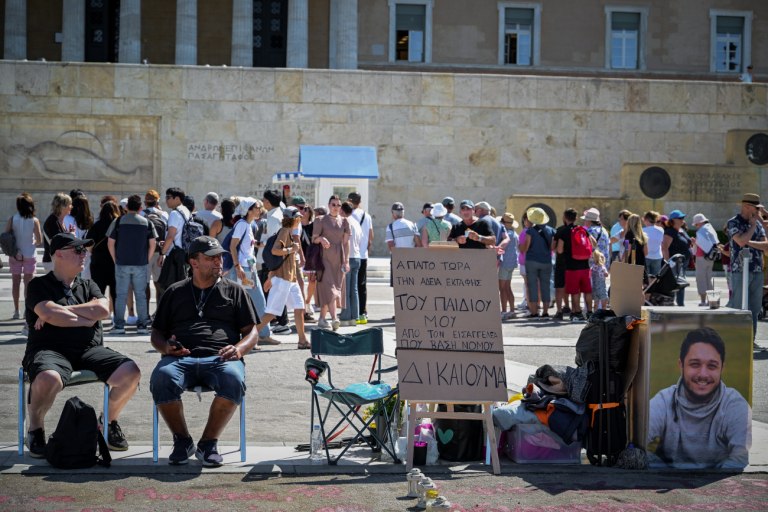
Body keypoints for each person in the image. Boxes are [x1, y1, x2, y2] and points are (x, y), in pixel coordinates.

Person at [22, 232, 141, 458]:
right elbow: (50, 314)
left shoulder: (88, 285)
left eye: (84, 250)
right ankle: (35, 428)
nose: (83, 254)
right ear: (59, 254)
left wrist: (60, 310)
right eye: (77, 250)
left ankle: (107, 422)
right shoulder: (39, 285)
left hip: (89, 350)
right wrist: (84, 318)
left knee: (130, 371)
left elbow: (103, 310)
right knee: (48, 378)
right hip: (49, 350)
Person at [149, 235, 259, 466]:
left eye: (220, 256)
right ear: (194, 262)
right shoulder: (175, 291)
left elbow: (252, 332)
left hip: (221, 358)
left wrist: (239, 349)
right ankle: (182, 440)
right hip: (181, 358)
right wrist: (165, 347)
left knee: (233, 379)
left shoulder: (234, 291)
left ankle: (208, 443)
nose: (218, 261)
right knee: (161, 378)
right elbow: (156, 333)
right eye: (211, 257)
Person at [648, 327, 751, 469]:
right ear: (681, 365)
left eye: (712, 366)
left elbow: (740, 459)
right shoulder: (664, 401)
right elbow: (635, 443)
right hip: (668, 478)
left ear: (722, 368)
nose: (703, 374)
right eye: (695, 364)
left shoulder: (735, 406)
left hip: (719, 482)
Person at [254, 208, 311, 348]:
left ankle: (302, 340)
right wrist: (292, 249)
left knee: (299, 307)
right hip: (283, 279)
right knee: (271, 313)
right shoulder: (285, 231)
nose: (300, 220)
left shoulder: (288, 231)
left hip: (290, 279)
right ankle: (248, 336)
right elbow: (275, 250)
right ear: (293, 219)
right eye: (298, 218)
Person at [229, 197, 277, 346]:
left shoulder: (247, 225)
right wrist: (238, 267)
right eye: (256, 208)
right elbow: (232, 246)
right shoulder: (242, 225)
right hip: (245, 269)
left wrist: (260, 244)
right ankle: (260, 335)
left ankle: (257, 335)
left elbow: (246, 245)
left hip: (248, 268)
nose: (259, 210)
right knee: (257, 301)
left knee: (252, 302)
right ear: (248, 210)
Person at [107, 194, 157, 335]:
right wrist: (146, 259)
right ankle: (142, 326)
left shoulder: (118, 221)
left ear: (127, 207)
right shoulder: (147, 222)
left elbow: (110, 243)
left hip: (122, 263)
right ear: (140, 207)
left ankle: (119, 326)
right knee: (141, 295)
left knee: (121, 295)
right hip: (140, 263)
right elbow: (152, 243)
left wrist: (115, 259)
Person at [727, 193, 767, 342]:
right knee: (738, 306)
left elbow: (766, 246)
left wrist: (748, 242)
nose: (758, 211)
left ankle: (751, 339)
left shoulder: (757, 223)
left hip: (757, 270)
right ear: (747, 207)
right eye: (756, 208)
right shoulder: (733, 223)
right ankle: (736, 339)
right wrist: (753, 227)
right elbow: (740, 241)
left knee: (755, 308)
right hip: (740, 270)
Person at [312, 195, 350, 331]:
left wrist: (346, 261)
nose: (336, 207)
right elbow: (314, 239)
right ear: (329, 205)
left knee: (331, 290)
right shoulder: (320, 220)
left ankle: (322, 319)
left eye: (338, 205)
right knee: (330, 289)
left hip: (338, 259)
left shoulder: (344, 221)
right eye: (333, 204)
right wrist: (322, 239)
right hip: (324, 259)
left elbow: (346, 243)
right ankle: (334, 318)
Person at [6, 193, 42, 321]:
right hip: (29, 254)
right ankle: (27, 310)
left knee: (15, 283)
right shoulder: (34, 220)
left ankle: (16, 310)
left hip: (15, 254)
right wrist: (32, 242)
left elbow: (6, 237)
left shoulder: (12, 219)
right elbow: (39, 240)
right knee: (28, 284)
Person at [556, 208, 594, 322]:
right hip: (585, 266)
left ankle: (577, 313)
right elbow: (593, 244)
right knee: (587, 291)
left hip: (571, 267)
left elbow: (559, 250)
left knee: (574, 292)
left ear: (565, 217)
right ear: (576, 218)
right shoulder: (582, 229)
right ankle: (590, 312)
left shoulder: (563, 231)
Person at [517, 207, 555, 319]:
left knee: (532, 286)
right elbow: (552, 247)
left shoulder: (530, 231)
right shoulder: (551, 231)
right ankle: (545, 312)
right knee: (545, 286)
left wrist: (519, 246)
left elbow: (525, 248)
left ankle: (534, 312)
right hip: (546, 261)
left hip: (532, 261)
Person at [157, 187, 192, 296]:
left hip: (174, 255)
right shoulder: (186, 211)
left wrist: (162, 253)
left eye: (168, 197)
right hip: (184, 253)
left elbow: (171, 236)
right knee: (181, 287)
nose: (166, 200)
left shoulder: (175, 213)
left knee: (167, 288)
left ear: (177, 198)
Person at [87, 200, 120, 312]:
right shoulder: (118, 226)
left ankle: (97, 317)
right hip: (114, 262)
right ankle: (116, 317)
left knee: (98, 292)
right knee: (115, 293)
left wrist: (93, 252)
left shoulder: (96, 225)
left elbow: (88, 245)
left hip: (98, 262)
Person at [347, 192, 372, 325]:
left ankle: (352, 313)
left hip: (352, 254)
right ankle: (362, 313)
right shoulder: (367, 215)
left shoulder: (350, 215)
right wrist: (366, 250)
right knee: (362, 285)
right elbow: (371, 236)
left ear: (349, 201)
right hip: (363, 255)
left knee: (351, 285)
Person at [662, 210, 693, 306]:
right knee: (680, 282)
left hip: (683, 262)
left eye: (683, 218)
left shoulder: (681, 230)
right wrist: (667, 262)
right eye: (680, 218)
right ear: (673, 220)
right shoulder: (670, 231)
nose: (682, 219)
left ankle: (677, 303)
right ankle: (680, 304)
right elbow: (664, 247)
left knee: (680, 282)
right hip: (675, 262)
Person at [339, 202, 362, 327]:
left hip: (347, 257)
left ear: (342, 211)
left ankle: (345, 317)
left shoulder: (344, 222)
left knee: (345, 289)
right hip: (357, 256)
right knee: (354, 289)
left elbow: (344, 242)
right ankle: (354, 316)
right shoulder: (356, 223)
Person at [692, 213, 720, 306]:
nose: (696, 226)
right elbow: (715, 242)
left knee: (701, 278)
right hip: (710, 257)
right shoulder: (710, 228)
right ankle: (711, 300)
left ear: (700, 223)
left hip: (701, 257)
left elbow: (701, 245)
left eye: (696, 224)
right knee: (708, 278)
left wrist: (695, 242)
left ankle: (703, 301)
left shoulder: (701, 231)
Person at [42, 193, 73, 273]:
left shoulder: (60, 220)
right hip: (52, 263)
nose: (71, 207)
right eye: (70, 204)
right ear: (63, 206)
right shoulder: (52, 222)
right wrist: (71, 236)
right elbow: (56, 244)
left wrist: (70, 234)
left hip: (59, 261)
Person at [498, 213, 519, 320]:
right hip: (511, 263)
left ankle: (504, 311)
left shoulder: (506, 234)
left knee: (502, 288)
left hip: (504, 263)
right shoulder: (514, 234)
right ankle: (512, 310)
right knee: (508, 287)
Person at [71, 195, 94, 280]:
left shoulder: (69, 218)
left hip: (74, 249)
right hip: (86, 250)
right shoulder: (90, 218)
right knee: (85, 274)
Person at [623, 213, 648, 283]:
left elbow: (627, 250)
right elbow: (646, 252)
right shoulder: (643, 235)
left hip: (632, 263)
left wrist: (622, 262)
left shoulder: (628, 234)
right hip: (641, 263)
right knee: (640, 284)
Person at [643, 210, 665, 277]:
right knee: (655, 278)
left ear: (647, 219)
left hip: (646, 257)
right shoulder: (661, 230)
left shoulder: (643, 230)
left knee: (646, 278)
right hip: (657, 256)